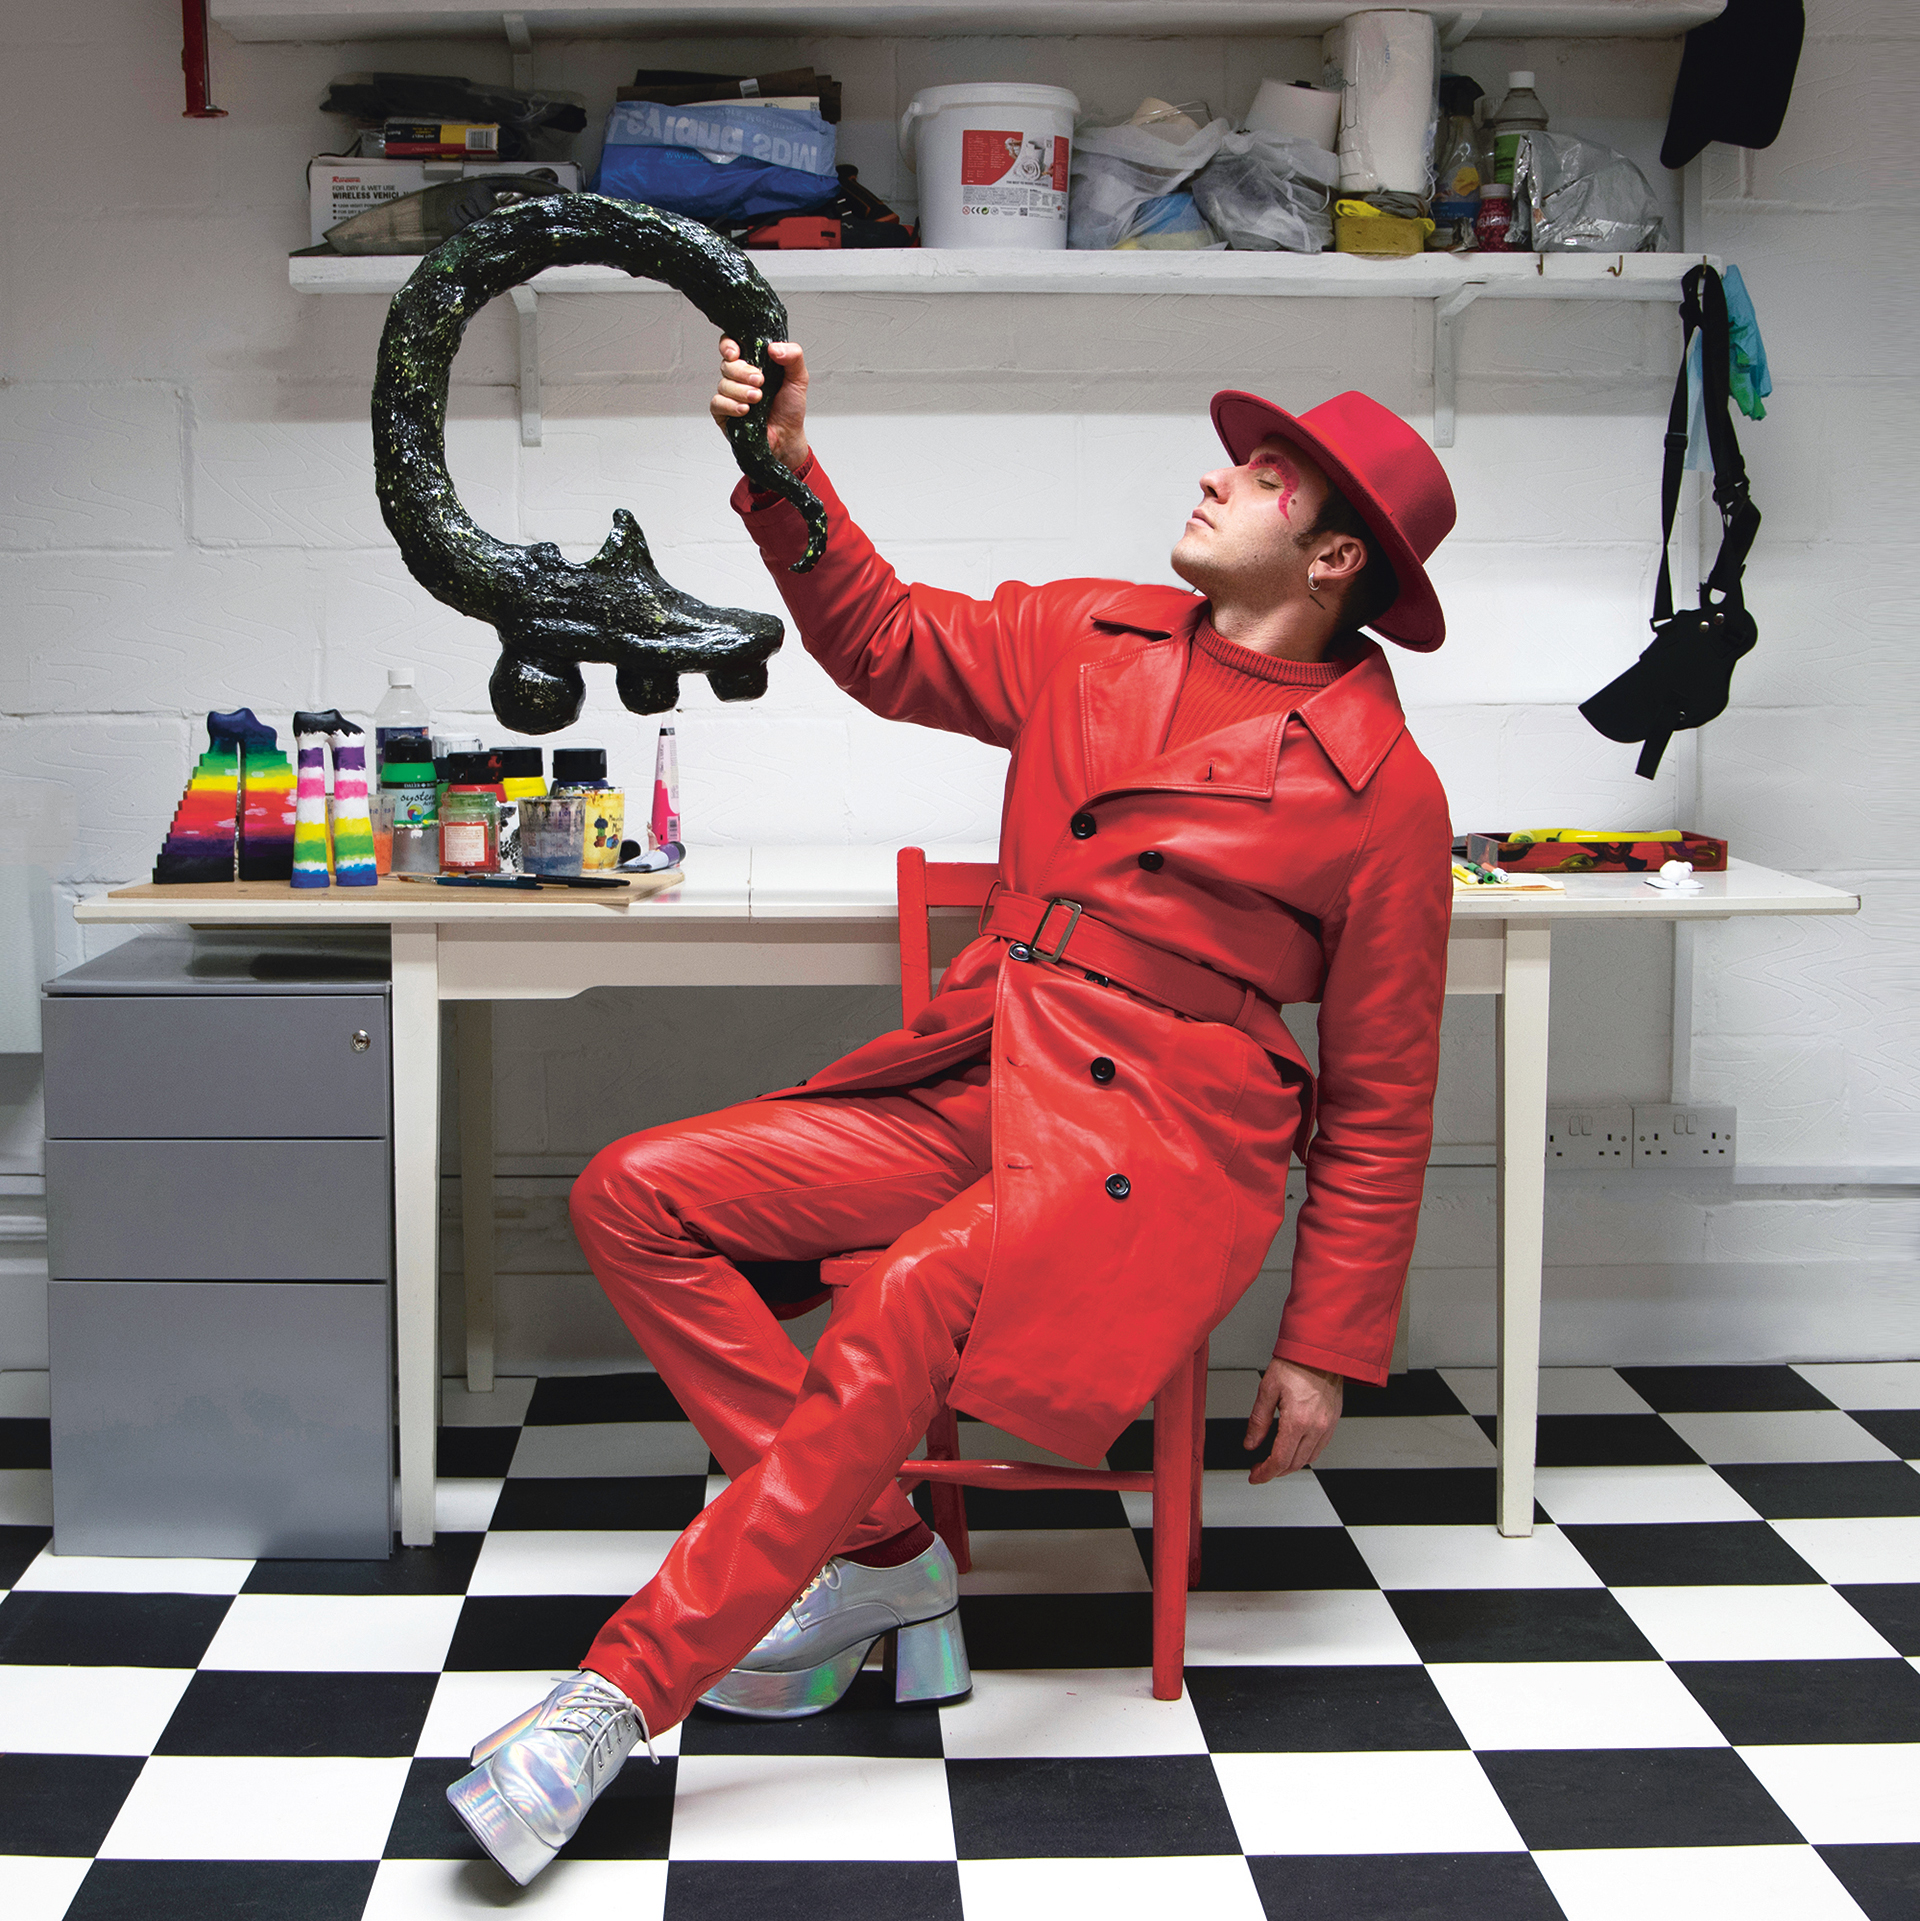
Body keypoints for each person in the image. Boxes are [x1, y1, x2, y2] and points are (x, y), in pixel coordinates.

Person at [447, 337, 1458, 1885]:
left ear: (1330, 558)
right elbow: (887, 640)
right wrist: (784, 467)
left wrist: (1324, 1338)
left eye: (1259, 475)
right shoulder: (1095, 633)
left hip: (1169, 1144)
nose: (1213, 472)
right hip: (999, 1063)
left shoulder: (1385, 789)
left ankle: (614, 1695)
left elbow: (1384, 1092)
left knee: (908, 1299)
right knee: (635, 1191)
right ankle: (870, 1553)